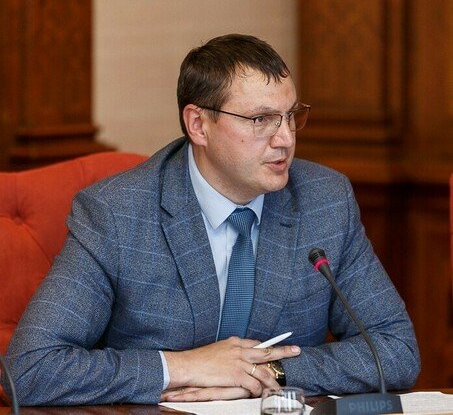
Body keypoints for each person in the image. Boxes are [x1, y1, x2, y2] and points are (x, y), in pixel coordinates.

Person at [3, 34, 420, 406]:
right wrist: (185, 367)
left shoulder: (324, 201)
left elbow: (395, 348)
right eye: (261, 120)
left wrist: (265, 374)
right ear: (199, 125)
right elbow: (29, 369)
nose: (286, 139)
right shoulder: (116, 213)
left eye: (291, 115)